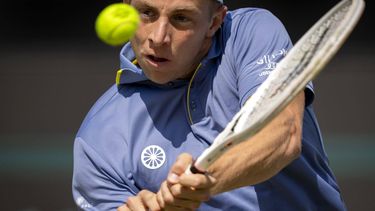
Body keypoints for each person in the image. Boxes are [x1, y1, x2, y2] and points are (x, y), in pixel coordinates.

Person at [72, 0, 347, 210]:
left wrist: (208, 180)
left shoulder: (251, 33)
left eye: (180, 18)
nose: (158, 37)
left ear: (214, 22)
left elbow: (282, 136)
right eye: (146, 13)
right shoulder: (96, 140)